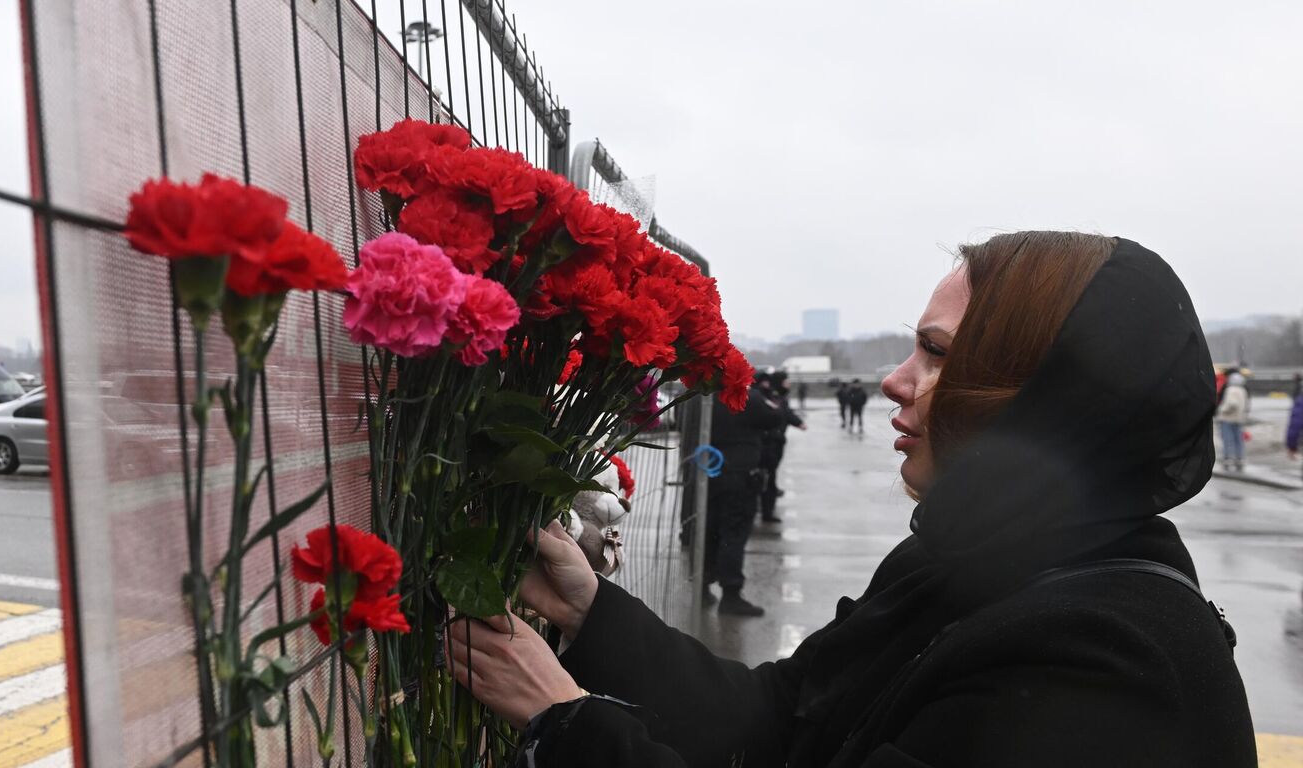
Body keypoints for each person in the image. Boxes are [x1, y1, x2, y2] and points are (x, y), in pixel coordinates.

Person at [444, 233, 1254, 766]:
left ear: (1040, 400)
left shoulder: (1106, 665)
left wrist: (568, 724)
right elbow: (786, 718)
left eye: (936, 355)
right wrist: (592, 612)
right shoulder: (969, 563)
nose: (893, 381)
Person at [703, 377, 786, 616]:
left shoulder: (703, 398)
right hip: (740, 476)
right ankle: (731, 594)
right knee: (734, 534)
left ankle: (703, 586)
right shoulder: (747, 397)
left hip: (708, 473)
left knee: (710, 532)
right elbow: (773, 419)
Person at [757, 371, 805, 523]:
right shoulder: (773, 397)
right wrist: (797, 422)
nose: (788, 383)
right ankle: (766, 511)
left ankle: (766, 507)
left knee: (769, 476)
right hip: (770, 443)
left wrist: (798, 422)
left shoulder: (777, 397)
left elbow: (786, 414)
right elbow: (784, 414)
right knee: (768, 477)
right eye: (786, 381)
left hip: (775, 441)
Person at [1216, 372, 1248, 473]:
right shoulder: (1243, 390)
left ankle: (1228, 459)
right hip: (1239, 419)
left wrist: (1222, 410)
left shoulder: (1230, 390)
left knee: (1227, 440)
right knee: (1238, 440)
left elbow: (1232, 404)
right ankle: (1240, 459)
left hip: (1228, 418)